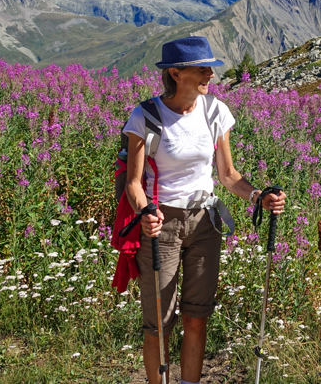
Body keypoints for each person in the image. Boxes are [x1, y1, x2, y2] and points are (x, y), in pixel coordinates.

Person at [123, 36, 286, 384]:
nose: (210, 74)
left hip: (205, 223)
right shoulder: (146, 115)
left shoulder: (215, 111)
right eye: (201, 68)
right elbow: (133, 183)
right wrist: (145, 213)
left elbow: (228, 175)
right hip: (160, 223)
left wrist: (258, 195)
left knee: (197, 317)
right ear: (176, 72)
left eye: (210, 67)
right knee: (158, 323)